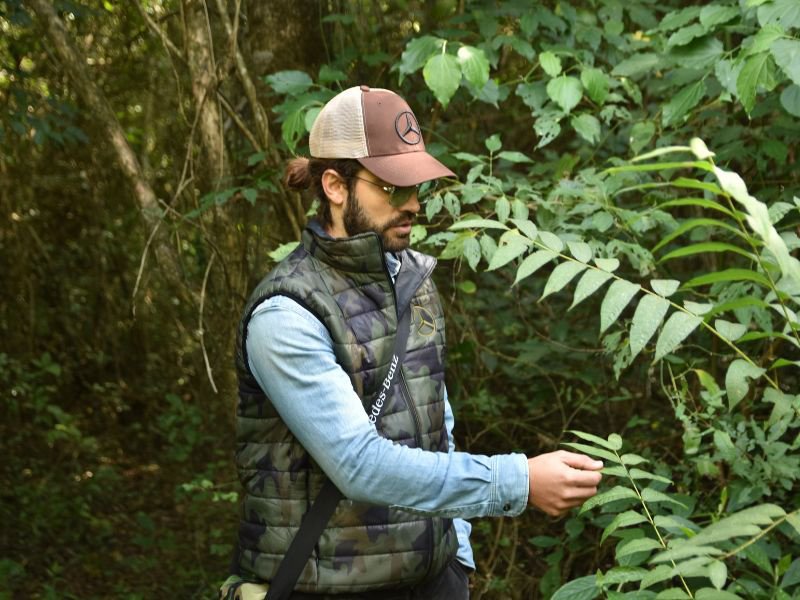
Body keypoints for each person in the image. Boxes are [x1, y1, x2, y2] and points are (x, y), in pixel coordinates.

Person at [223, 85, 603, 600]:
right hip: (327, 588)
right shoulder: (286, 314)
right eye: (393, 188)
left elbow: (437, 425)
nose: (414, 204)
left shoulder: (411, 281)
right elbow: (358, 464)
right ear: (335, 185)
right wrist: (519, 481)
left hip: (433, 582)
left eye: (416, 186)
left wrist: (457, 558)